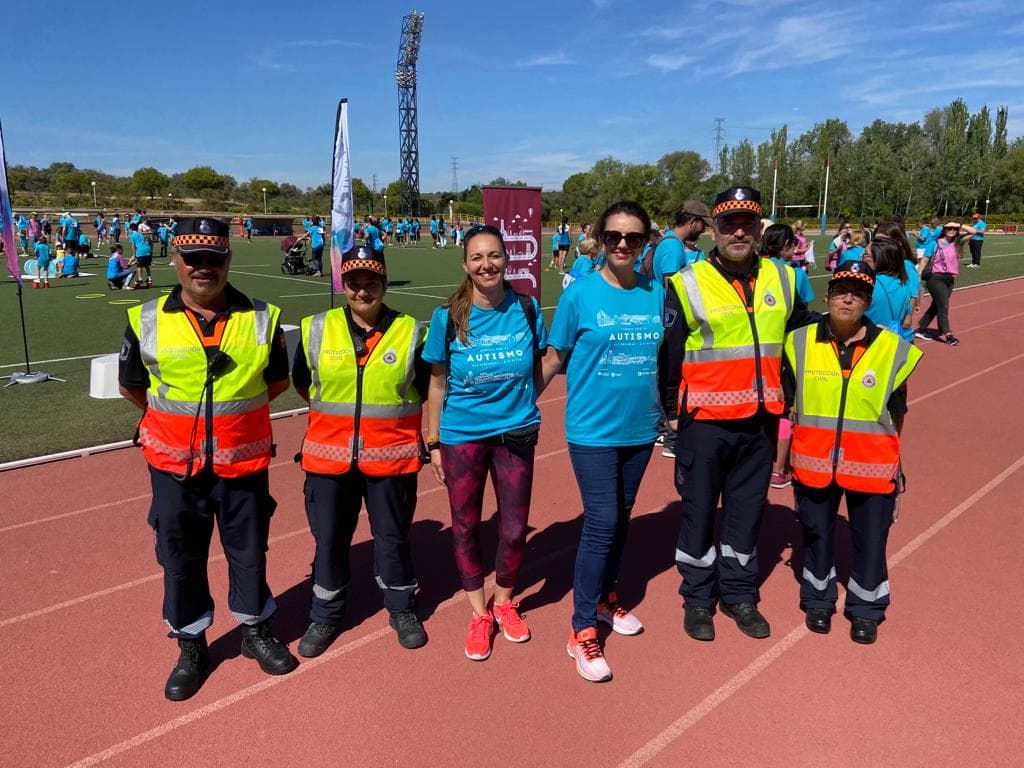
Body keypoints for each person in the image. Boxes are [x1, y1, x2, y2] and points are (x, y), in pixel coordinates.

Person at [117, 217, 297, 701]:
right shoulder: (145, 318)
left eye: (213, 259)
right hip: (175, 467)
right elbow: (133, 387)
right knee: (180, 559)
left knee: (249, 553)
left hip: (243, 465)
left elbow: (276, 383)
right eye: (194, 259)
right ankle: (191, 642)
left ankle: (255, 629)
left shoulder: (264, 317)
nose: (204, 269)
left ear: (227, 262)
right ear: (176, 260)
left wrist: (229, 424)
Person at [661, 186, 818, 643]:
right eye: (728, 223)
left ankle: (738, 594)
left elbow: (799, 341)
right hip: (705, 422)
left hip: (761, 421)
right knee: (697, 514)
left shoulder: (785, 279)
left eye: (747, 223)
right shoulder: (687, 282)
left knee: (747, 515)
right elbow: (669, 355)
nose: (738, 231)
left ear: (758, 227)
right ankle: (697, 599)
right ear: (713, 228)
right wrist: (672, 412)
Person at [542, 201, 665, 682]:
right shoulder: (581, 295)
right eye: (614, 236)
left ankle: (606, 598)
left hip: (640, 429)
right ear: (599, 236)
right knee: (603, 520)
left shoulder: (657, 292)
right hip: (592, 429)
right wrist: (516, 405)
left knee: (623, 517)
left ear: (644, 244)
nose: (622, 245)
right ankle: (580, 630)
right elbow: (554, 358)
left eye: (633, 238)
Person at [291, 247, 430, 656]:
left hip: (391, 457)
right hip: (328, 458)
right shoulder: (317, 327)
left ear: (384, 284)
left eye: (371, 282)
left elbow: (423, 388)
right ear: (343, 286)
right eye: (354, 283)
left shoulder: (410, 331)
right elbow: (304, 383)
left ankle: (402, 607)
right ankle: (325, 614)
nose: (363, 291)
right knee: (330, 540)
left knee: (392, 538)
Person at [424, 224, 547, 661]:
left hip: (514, 434)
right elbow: (436, 384)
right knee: (465, 526)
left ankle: (505, 602)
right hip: (461, 437)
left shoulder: (528, 308)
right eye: (477, 257)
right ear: (465, 265)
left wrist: (522, 405)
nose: (486, 264)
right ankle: (479, 613)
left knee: (514, 530)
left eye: (493, 255)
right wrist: (434, 442)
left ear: (506, 259)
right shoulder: (447, 316)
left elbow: (537, 369)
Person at [784, 260, 922, 644]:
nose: (848, 298)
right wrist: (782, 462)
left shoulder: (893, 350)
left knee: (870, 542)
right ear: (827, 296)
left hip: (873, 467)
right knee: (816, 536)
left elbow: (899, 413)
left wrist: (894, 463)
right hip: (813, 462)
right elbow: (787, 404)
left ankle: (865, 609)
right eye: (842, 290)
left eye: (858, 292)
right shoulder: (798, 343)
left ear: (868, 302)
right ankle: (818, 600)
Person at [760, 224, 816, 489]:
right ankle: (778, 468)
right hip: (785, 349)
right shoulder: (793, 275)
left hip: (752, 351)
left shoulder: (753, 268)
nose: (795, 251)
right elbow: (805, 310)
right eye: (792, 246)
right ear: (784, 246)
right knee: (785, 406)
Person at [916, 220, 975, 346]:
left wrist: (959, 224)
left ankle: (921, 328)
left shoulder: (957, 243)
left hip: (950, 279)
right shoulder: (935, 243)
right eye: (949, 228)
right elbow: (925, 259)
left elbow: (973, 232)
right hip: (935, 279)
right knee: (943, 306)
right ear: (944, 230)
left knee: (936, 305)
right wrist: (919, 274)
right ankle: (948, 335)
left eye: (954, 229)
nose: (952, 231)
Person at [862, 237, 915, 342]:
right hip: (899, 341)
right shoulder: (903, 283)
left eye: (866, 254)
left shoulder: (868, 284)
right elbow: (907, 321)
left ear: (880, 259)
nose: (861, 256)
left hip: (872, 343)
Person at [652, 201, 711, 287]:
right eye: (703, 225)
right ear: (692, 222)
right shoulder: (673, 246)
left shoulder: (669, 238)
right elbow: (671, 290)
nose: (703, 230)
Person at [128, 222, 153, 288]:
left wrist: (134, 254)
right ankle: (149, 278)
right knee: (147, 265)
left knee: (139, 266)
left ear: (130, 229)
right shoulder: (141, 233)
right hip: (148, 250)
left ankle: (140, 279)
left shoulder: (132, 236)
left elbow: (133, 246)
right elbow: (147, 240)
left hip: (140, 251)